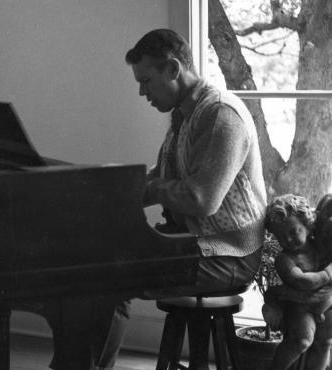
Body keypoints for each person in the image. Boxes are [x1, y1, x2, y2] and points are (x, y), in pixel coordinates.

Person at [125, 28, 267, 296]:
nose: (142, 92)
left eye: (146, 81)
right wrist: (117, 193)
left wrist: (152, 189)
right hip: (199, 244)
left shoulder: (220, 113)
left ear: (172, 69)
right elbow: (165, 173)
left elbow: (202, 200)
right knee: (106, 261)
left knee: (111, 275)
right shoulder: (185, 113)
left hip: (230, 255)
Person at [263, 194, 332, 370]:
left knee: (324, 344)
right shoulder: (285, 259)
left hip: (326, 305)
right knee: (301, 341)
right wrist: (327, 274)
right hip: (300, 307)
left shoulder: (320, 247)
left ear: (308, 226)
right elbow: (303, 282)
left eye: (294, 232)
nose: (288, 240)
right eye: (281, 236)